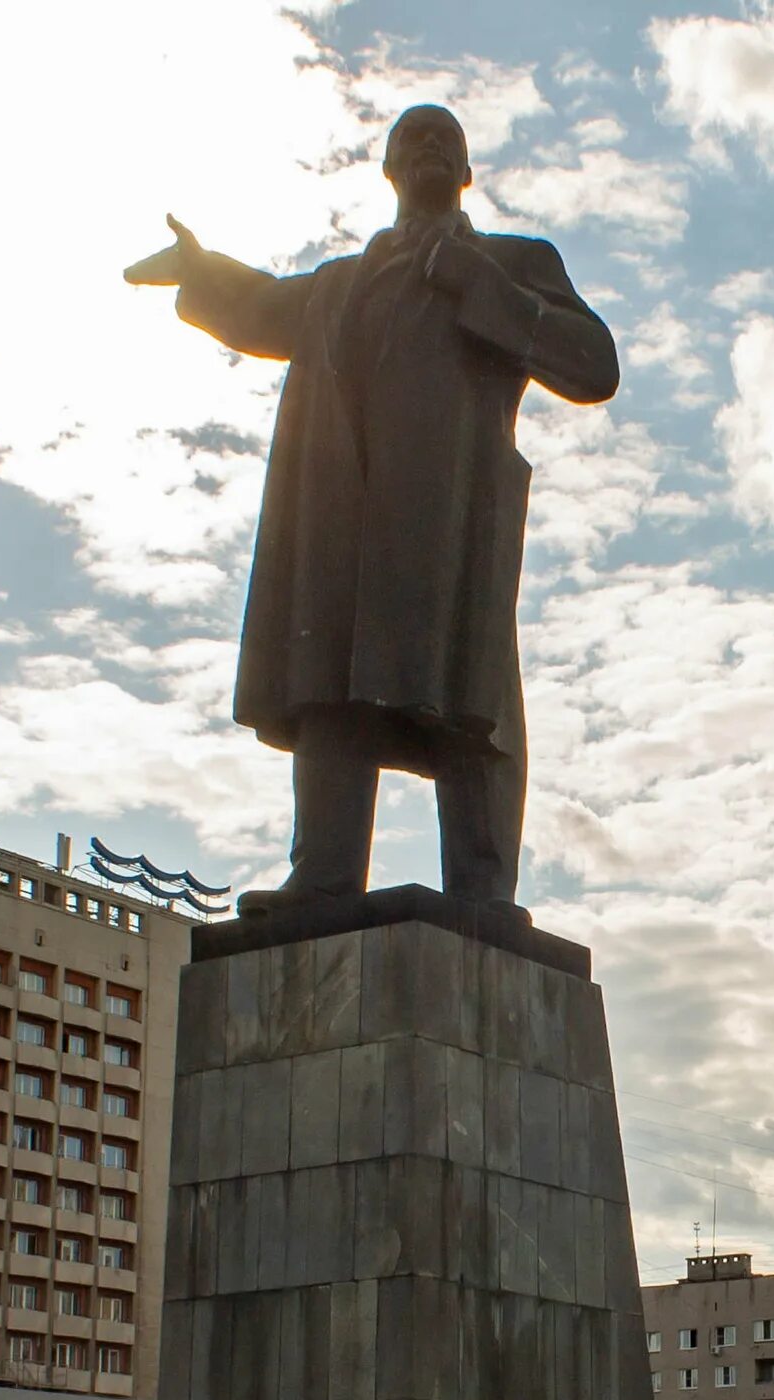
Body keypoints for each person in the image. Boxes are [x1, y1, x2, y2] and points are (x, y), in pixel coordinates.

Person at [125, 105, 618, 913]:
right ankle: (323, 876)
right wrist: (199, 270)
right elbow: (264, 307)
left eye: (446, 141)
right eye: (412, 140)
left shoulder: (515, 261)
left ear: (466, 174)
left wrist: (482, 290)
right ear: (387, 170)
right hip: (343, 515)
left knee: (472, 695)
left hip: (454, 514)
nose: (429, 148)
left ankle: (483, 889)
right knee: (332, 675)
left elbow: (594, 364)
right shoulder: (338, 286)